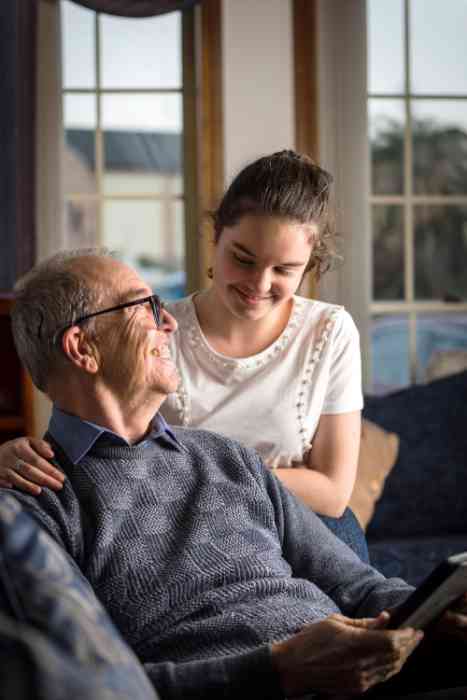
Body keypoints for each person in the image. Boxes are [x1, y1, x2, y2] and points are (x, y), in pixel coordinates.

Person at [2, 248, 467, 700]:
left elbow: (359, 586)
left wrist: (435, 607)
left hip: (367, 676)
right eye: (144, 306)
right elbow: (95, 688)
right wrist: (281, 669)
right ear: (83, 347)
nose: (168, 323)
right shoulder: (37, 504)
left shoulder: (226, 456)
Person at [0, 151, 367, 555]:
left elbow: (332, 492)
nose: (260, 284)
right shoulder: (152, 331)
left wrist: (195, 477)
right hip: (186, 530)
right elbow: (94, 431)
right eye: (243, 259)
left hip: (306, 526)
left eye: (284, 270)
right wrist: (12, 457)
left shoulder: (331, 331)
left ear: (308, 267)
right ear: (216, 238)